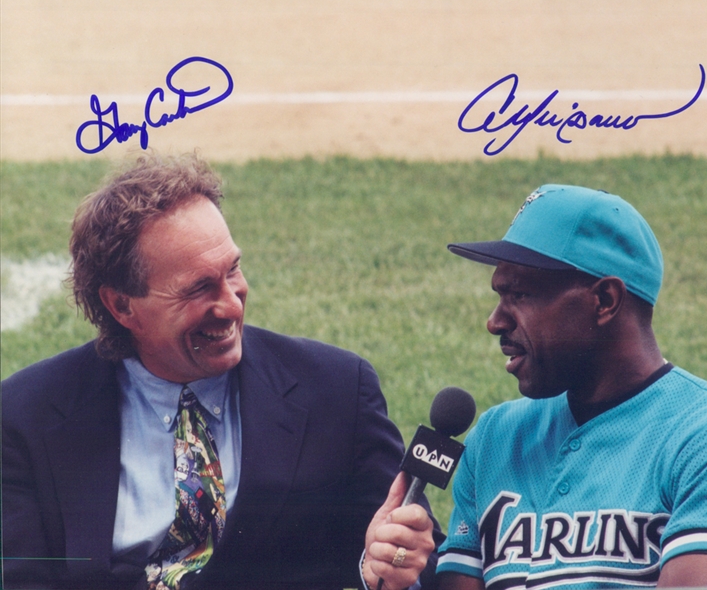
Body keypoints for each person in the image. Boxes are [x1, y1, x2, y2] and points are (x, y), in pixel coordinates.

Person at [2, 152, 437, 590]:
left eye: (232, 271)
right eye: (198, 288)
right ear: (121, 305)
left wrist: (389, 565)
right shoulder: (26, 416)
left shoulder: (336, 392)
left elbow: (412, 553)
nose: (231, 304)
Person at [432, 185, 707, 588]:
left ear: (604, 300)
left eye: (521, 295)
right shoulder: (495, 439)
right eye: (499, 295)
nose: (495, 322)